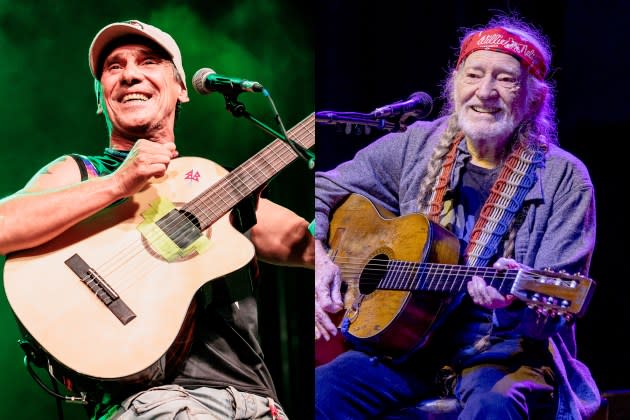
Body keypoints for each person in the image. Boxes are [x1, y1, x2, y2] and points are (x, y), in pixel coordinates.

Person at [0, 20, 313, 419]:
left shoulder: (216, 185)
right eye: (113, 67)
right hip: (151, 403)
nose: (130, 74)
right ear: (101, 97)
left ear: (181, 88)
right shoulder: (81, 172)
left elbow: (312, 246)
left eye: (148, 61)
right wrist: (118, 183)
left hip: (258, 405)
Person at [314, 14, 601, 419]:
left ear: (534, 97)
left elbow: (553, 310)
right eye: (474, 75)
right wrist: (319, 254)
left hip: (504, 353)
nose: (485, 92)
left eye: (505, 79)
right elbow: (322, 188)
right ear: (454, 83)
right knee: (322, 391)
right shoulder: (415, 145)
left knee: (494, 405)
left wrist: (509, 304)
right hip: (405, 347)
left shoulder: (564, 177)